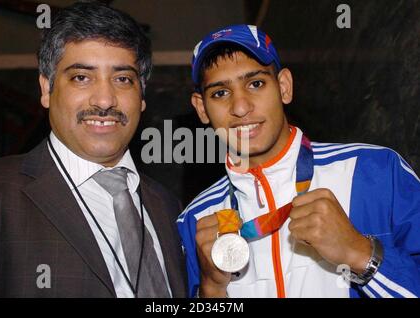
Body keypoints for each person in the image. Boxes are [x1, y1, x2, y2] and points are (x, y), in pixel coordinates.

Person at [177, 24, 420, 298]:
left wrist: (361, 253)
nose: (241, 107)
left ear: (284, 87)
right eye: (220, 93)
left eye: (256, 84)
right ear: (201, 108)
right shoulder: (194, 221)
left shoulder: (375, 172)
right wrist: (211, 289)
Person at [0, 1, 186, 298]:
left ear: (143, 96)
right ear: (46, 89)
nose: (105, 100)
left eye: (122, 79)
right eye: (81, 77)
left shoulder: (170, 208)